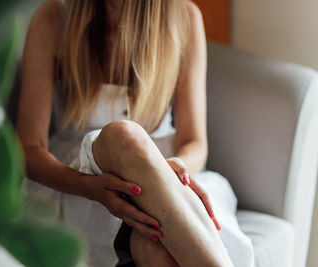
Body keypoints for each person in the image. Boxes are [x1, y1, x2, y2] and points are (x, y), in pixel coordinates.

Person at [16, 0, 254, 266]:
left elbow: (194, 142)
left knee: (155, 250)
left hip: (167, 170)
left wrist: (163, 177)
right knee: (124, 137)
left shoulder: (184, 17)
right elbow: (28, 149)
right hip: (83, 174)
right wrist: (87, 186)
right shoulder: (54, 18)